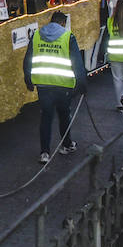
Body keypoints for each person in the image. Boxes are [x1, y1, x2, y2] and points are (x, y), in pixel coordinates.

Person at [23, 11, 87, 162]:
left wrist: (28, 80)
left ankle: (44, 153)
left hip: (43, 84)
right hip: (63, 85)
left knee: (46, 117)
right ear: (63, 23)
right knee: (64, 115)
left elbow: (28, 59)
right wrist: (82, 84)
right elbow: (77, 63)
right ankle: (66, 144)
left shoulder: (37, 35)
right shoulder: (68, 36)